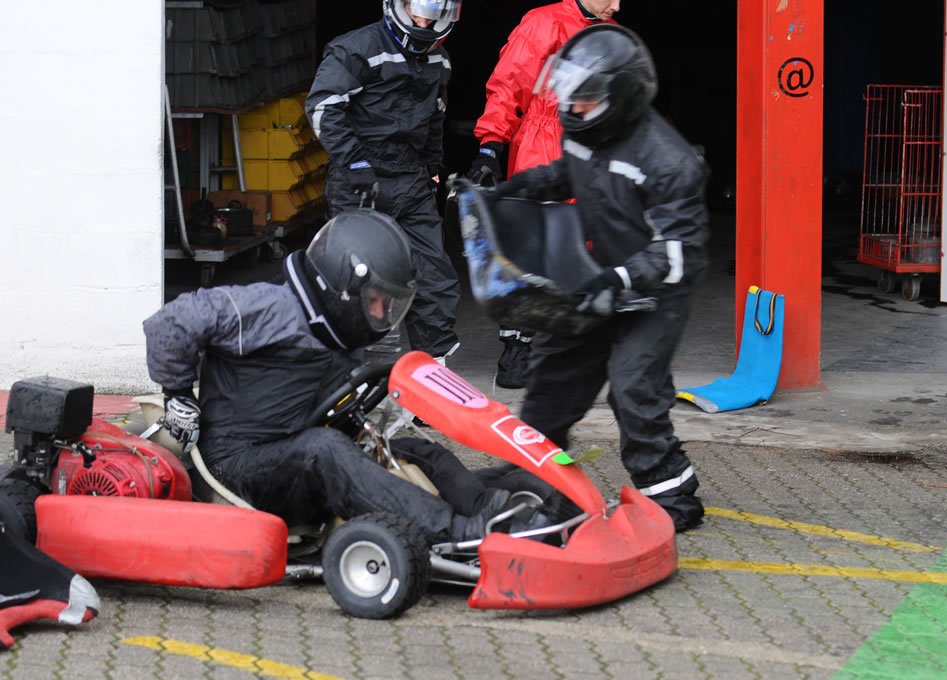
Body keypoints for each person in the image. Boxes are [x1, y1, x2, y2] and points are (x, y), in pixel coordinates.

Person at [143, 212, 531, 545]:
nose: (382, 313)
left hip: (295, 451)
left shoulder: (341, 331)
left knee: (419, 452)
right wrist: (178, 395)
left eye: (390, 303)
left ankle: (491, 509)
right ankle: (459, 534)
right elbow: (169, 324)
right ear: (342, 289)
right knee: (325, 449)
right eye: (376, 300)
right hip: (235, 465)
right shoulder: (266, 308)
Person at [488, 24, 710, 532]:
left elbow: (680, 253)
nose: (572, 108)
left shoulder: (671, 162)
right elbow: (569, 174)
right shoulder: (586, 129)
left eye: (585, 98)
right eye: (569, 95)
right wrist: (509, 190)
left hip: (657, 293)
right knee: (552, 373)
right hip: (602, 275)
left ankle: (675, 501)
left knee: (634, 390)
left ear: (622, 95)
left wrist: (620, 279)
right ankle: (532, 477)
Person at [467, 0, 621, 389]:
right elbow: (509, 83)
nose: (617, 5)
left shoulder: (610, 31)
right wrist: (490, 144)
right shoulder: (543, 22)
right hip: (544, 142)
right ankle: (516, 352)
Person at [305, 0, 462, 364]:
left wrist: (433, 166)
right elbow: (323, 108)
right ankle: (349, 376)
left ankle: (433, 376)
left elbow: (435, 117)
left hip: (412, 181)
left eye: (436, 14)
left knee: (435, 280)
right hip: (360, 180)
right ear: (398, 7)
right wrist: (355, 161)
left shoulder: (440, 59)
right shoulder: (355, 49)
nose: (425, 21)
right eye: (418, 11)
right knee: (357, 282)